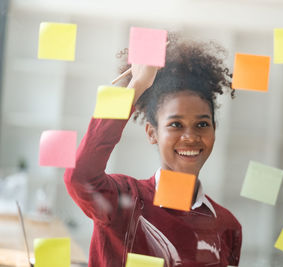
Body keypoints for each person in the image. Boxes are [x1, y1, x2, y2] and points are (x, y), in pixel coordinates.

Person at [64, 35, 242, 267]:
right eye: (175, 124)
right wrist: (137, 85)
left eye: (202, 124)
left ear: (214, 131)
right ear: (152, 133)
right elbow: (79, 176)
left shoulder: (227, 226)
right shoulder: (123, 201)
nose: (190, 137)